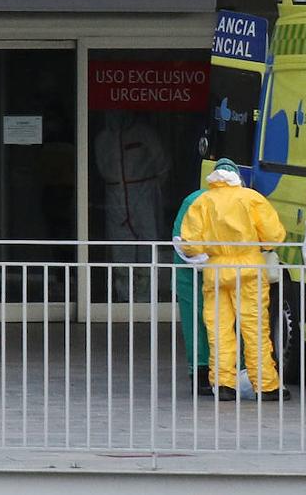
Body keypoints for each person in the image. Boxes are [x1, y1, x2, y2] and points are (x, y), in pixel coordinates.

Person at [180, 158, 289, 402]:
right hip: (248, 269)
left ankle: (223, 385)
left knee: (219, 330)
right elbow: (274, 235)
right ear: (236, 177)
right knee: (255, 329)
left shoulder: (202, 201)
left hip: (216, 270)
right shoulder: (251, 198)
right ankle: (267, 385)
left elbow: (189, 243)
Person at [93, 111, 169, 301]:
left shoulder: (144, 134)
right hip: (114, 195)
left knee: (148, 242)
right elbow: (100, 166)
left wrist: (155, 188)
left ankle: (146, 299)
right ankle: (124, 298)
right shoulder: (103, 138)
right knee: (120, 245)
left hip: (143, 191)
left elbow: (162, 162)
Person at [172, 186, 211, 386]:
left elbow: (183, 241)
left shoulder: (194, 199)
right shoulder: (246, 198)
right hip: (229, 273)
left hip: (197, 273)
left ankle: (202, 373)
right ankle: (228, 377)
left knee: (196, 321)